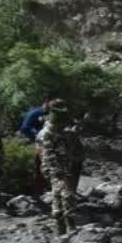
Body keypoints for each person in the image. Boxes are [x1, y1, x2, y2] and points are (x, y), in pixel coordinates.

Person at [38, 100, 83, 235]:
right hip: (55, 168)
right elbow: (48, 155)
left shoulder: (59, 129)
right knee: (66, 194)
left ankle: (61, 228)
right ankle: (69, 225)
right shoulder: (47, 132)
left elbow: (68, 146)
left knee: (58, 195)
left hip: (64, 166)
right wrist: (60, 172)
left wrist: (73, 133)